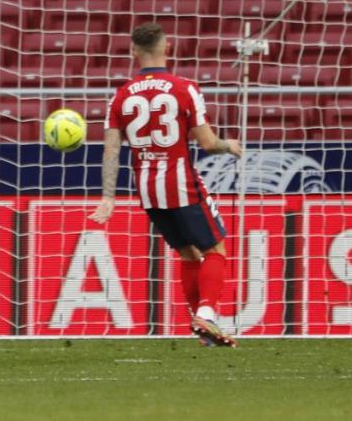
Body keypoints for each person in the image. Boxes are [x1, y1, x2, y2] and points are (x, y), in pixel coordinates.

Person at [89, 23, 243, 348]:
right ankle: (207, 314)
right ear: (168, 47)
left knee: (188, 255)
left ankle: (203, 328)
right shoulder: (185, 88)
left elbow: (111, 151)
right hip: (181, 183)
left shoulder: (121, 95)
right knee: (215, 250)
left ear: (133, 51)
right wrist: (229, 145)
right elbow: (207, 143)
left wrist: (108, 197)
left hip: (148, 189)